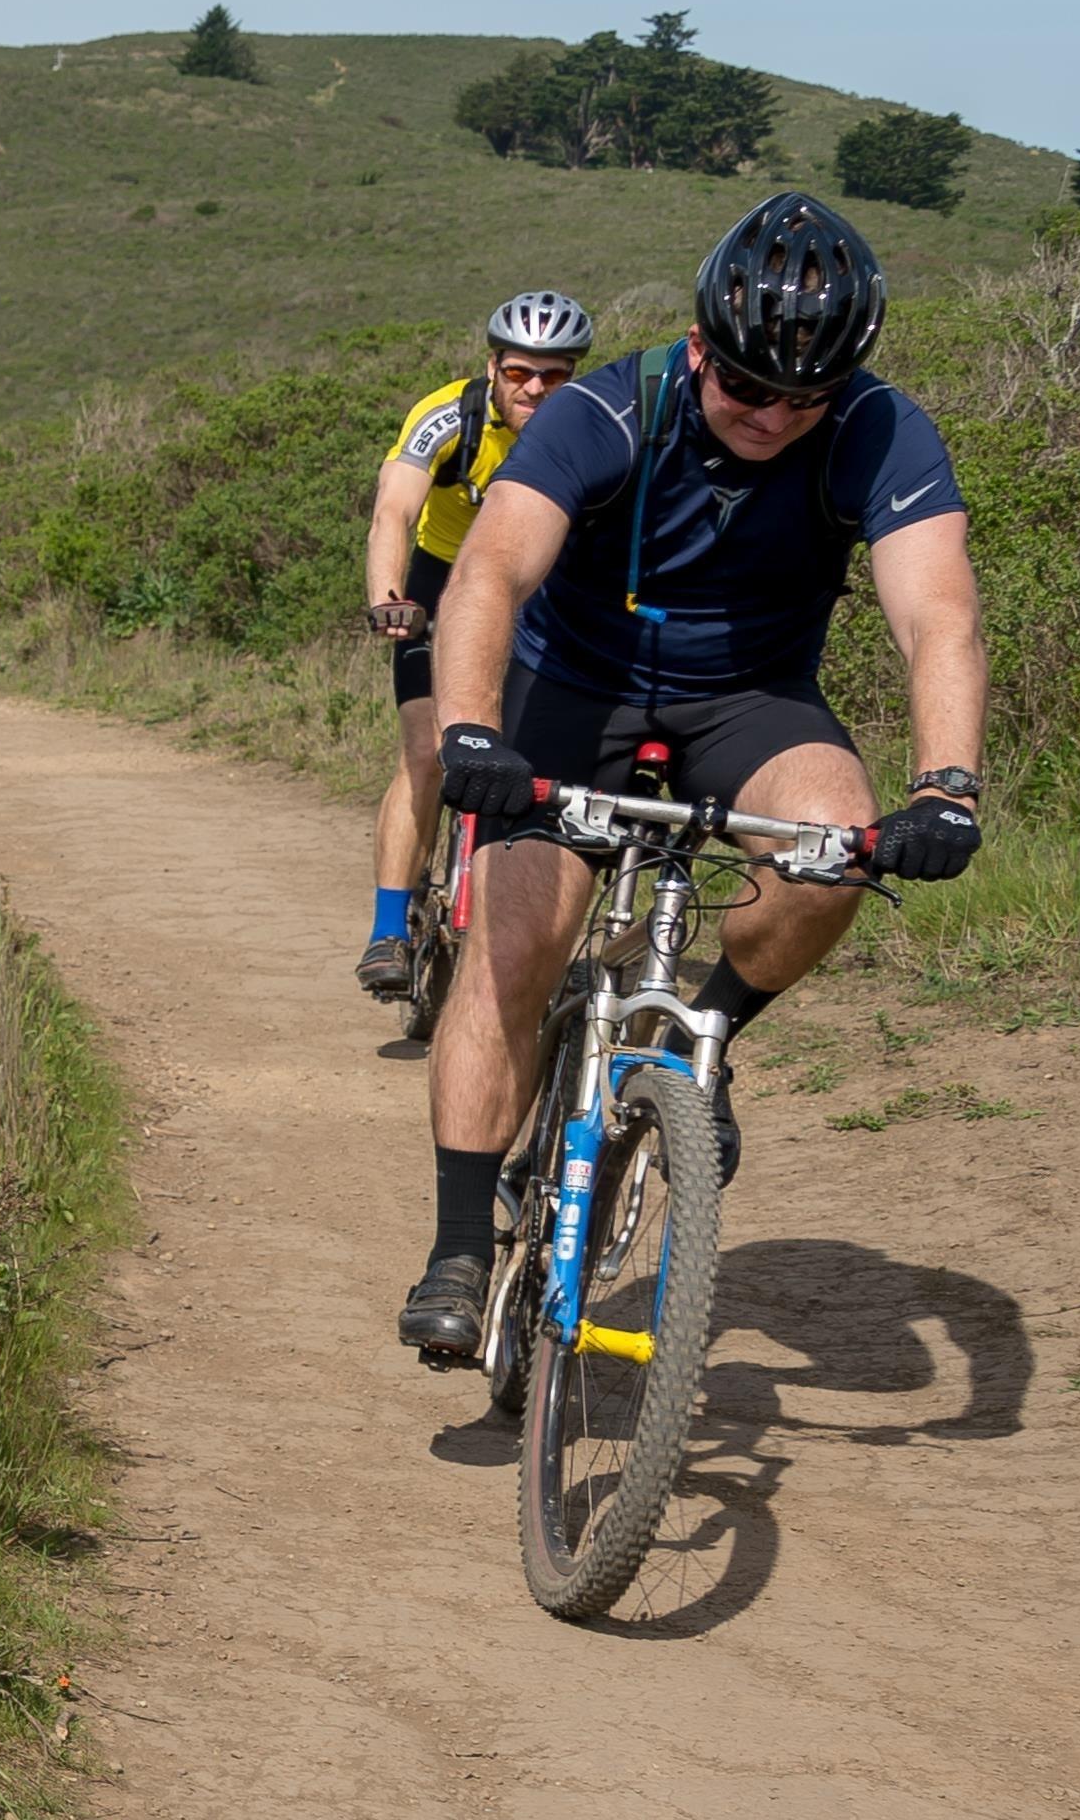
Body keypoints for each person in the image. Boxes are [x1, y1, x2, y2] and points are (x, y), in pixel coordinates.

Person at [395, 192, 989, 1359]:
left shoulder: (878, 429)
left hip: (749, 698)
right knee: (512, 947)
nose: (771, 416)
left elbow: (938, 617)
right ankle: (459, 1240)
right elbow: (489, 573)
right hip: (571, 692)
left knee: (831, 852)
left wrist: (948, 785)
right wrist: (469, 732)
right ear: (697, 347)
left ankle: (695, 1040)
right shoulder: (608, 406)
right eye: (746, 387)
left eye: (801, 397)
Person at [355, 292, 597, 999]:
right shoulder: (447, 416)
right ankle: (388, 929)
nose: (535, 389)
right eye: (520, 372)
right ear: (491, 366)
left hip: (537, 585)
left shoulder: (593, 426)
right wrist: (388, 597)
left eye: (555, 375)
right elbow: (393, 509)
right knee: (428, 749)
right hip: (438, 580)